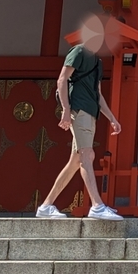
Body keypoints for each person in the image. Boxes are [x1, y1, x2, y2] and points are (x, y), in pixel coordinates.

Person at [35, 38, 123, 220]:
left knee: (75, 161)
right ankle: (97, 206)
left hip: (91, 113)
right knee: (86, 155)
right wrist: (66, 110)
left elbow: (98, 94)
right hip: (79, 109)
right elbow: (62, 79)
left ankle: (45, 206)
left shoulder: (98, 62)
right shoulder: (79, 52)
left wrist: (112, 118)